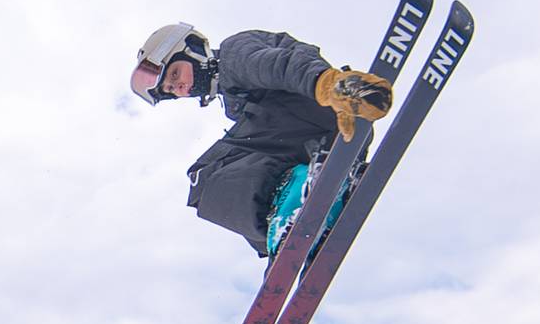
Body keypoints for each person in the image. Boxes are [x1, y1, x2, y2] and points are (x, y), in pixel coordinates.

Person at [130, 23, 393, 257]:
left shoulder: (234, 56)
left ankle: (292, 208)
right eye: (169, 89)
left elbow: (279, 66)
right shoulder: (235, 102)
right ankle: (295, 228)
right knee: (235, 174)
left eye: (175, 74)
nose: (178, 88)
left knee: (204, 176)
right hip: (319, 136)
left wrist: (330, 85)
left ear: (193, 50)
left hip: (328, 104)